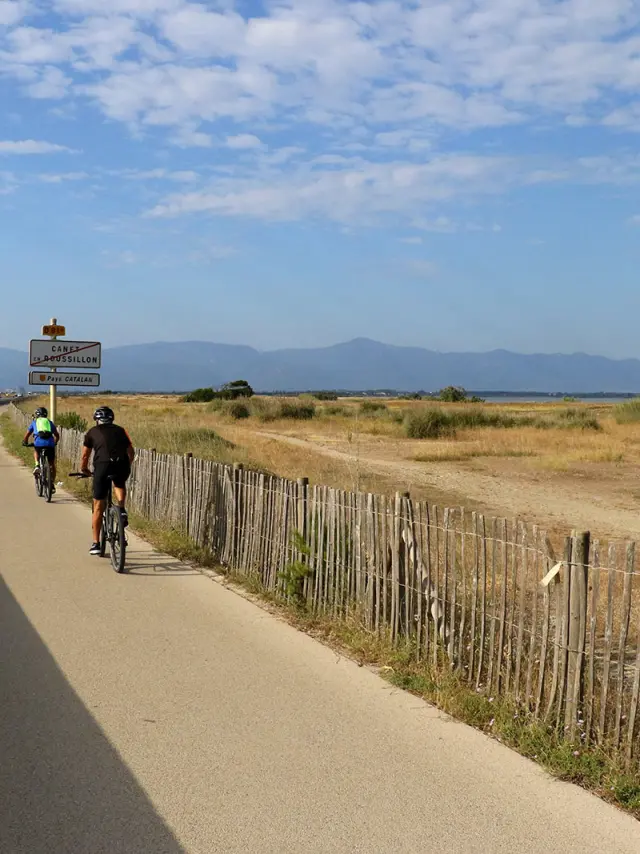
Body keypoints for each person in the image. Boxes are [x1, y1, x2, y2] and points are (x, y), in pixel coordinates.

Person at [80, 406, 134, 556]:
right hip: (121, 464)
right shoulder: (121, 430)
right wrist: (127, 465)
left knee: (98, 505)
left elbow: (85, 455)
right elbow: (131, 451)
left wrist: (84, 469)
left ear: (97, 420)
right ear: (112, 418)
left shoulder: (91, 432)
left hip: (102, 466)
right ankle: (121, 508)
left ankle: (96, 543)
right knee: (119, 483)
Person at [22, 406, 60, 491]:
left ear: (37, 415)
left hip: (39, 443)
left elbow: (27, 434)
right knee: (52, 464)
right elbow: (57, 435)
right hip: (50, 444)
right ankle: (52, 483)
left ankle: (37, 465)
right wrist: (55, 442)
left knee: (36, 450)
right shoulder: (49, 422)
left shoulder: (35, 422)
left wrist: (25, 441)